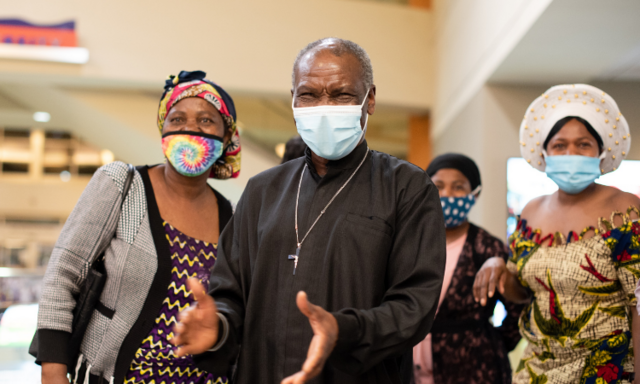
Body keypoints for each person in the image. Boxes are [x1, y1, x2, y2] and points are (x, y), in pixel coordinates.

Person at [170, 37, 446, 384]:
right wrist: (219, 328)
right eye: (309, 95)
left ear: (369, 99)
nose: (324, 106)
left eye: (342, 94)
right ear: (293, 100)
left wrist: (343, 329)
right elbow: (230, 293)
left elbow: (414, 307)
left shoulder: (407, 188)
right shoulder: (262, 191)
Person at [33, 70, 241, 384]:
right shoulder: (123, 185)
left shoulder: (233, 217)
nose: (190, 129)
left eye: (206, 121)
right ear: (163, 129)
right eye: (177, 119)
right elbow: (64, 273)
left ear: (226, 137)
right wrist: (53, 370)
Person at [473, 84, 640, 384]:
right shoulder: (531, 211)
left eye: (583, 144)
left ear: (600, 152)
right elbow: (522, 293)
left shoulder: (625, 210)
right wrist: (497, 265)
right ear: (545, 152)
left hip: (606, 371)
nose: (571, 153)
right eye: (560, 145)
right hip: (537, 370)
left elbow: (638, 305)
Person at [412, 153, 522, 384]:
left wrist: (490, 345)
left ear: (475, 194)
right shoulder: (410, 242)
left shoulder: (488, 248)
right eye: (438, 186)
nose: (447, 195)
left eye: (458, 187)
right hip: (413, 371)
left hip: (473, 370)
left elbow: (518, 310)